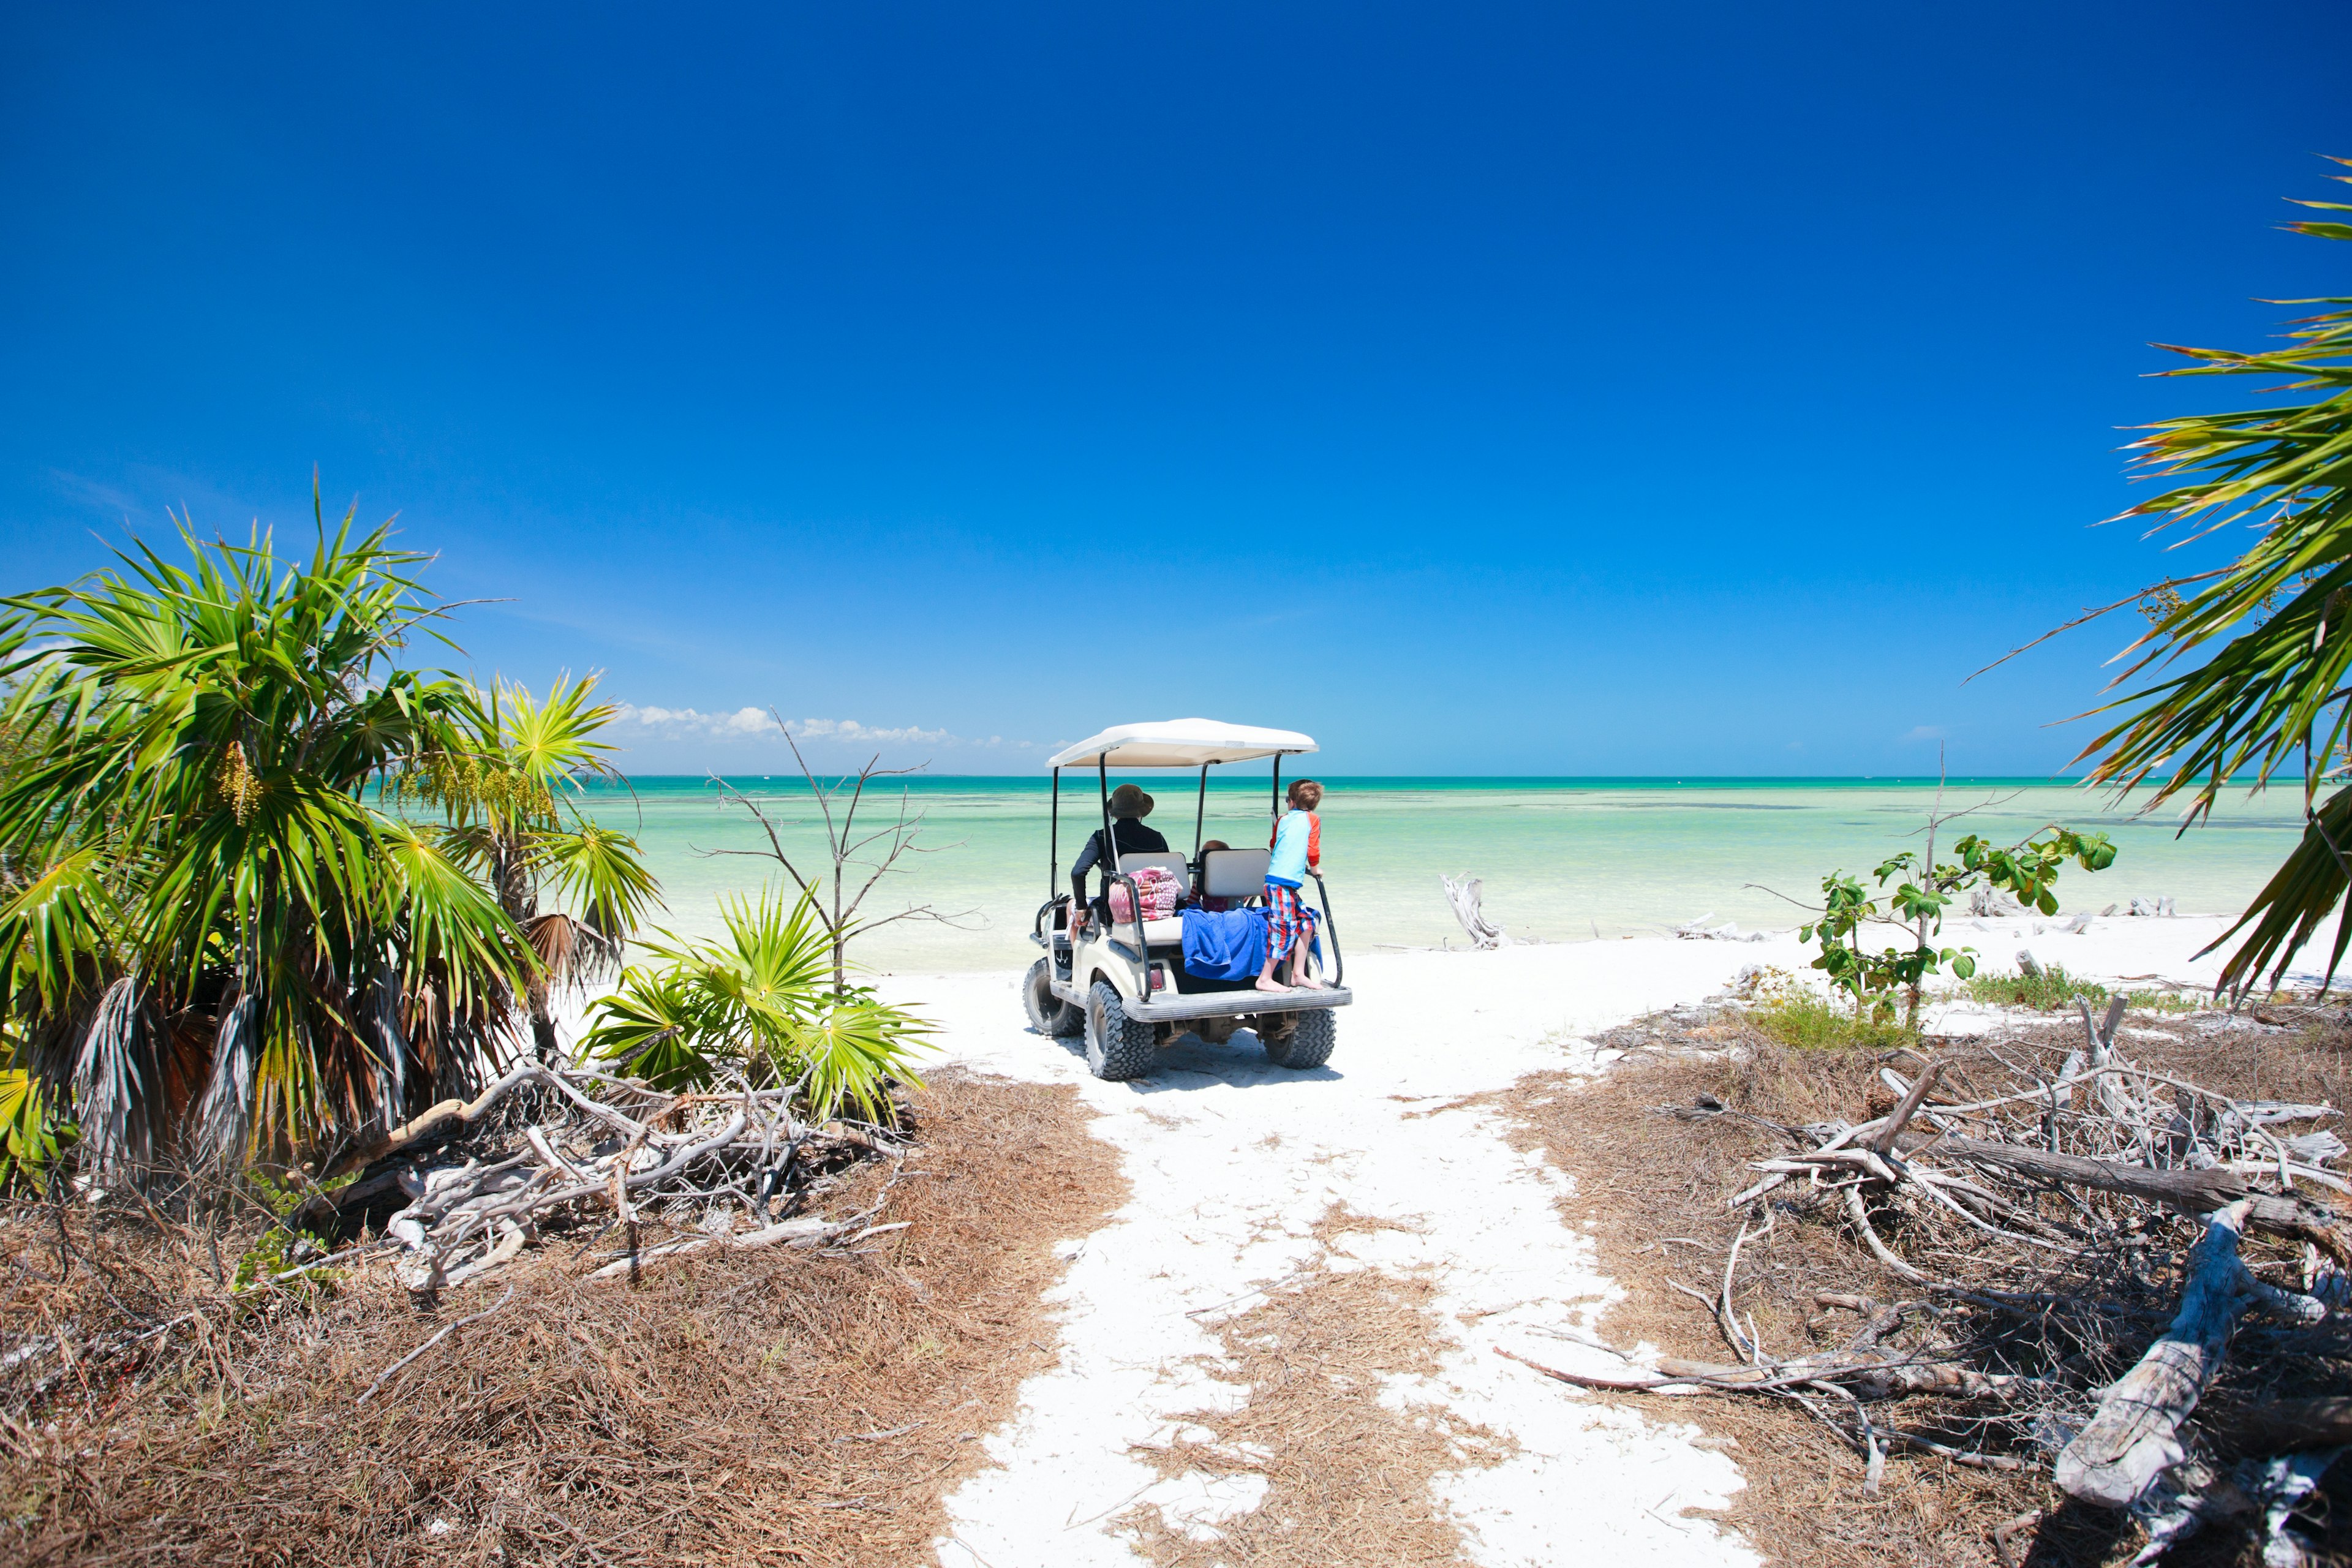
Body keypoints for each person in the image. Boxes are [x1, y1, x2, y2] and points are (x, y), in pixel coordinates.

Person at [1256, 779, 1326, 992]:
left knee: (1307, 923)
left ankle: (1298, 974)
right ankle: (1265, 978)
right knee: (1284, 928)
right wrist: (1315, 869)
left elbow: (1274, 844)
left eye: (1287, 799)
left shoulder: (1283, 820)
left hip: (1282, 883)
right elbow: (1312, 848)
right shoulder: (1313, 820)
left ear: (1293, 802)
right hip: (1280, 884)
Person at [1069, 782, 1170, 918]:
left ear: (1115, 814)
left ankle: (1075, 938)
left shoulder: (1102, 837)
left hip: (1112, 913)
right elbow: (1168, 873)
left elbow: (1078, 872)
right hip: (1154, 909)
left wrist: (1081, 908)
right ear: (1141, 812)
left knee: (1071, 906)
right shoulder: (1158, 838)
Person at [1192, 840, 1234, 912]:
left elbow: (1191, 900)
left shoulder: (1203, 879)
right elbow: (1244, 898)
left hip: (1210, 915)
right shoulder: (1235, 878)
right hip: (1233, 913)